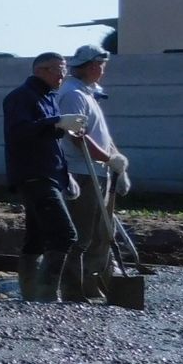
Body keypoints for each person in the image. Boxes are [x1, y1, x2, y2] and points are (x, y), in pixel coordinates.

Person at [3, 52, 87, 302]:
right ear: (41, 70)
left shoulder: (49, 98)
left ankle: (30, 292)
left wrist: (65, 173)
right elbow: (19, 132)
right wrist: (57, 121)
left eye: (64, 70)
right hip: (33, 174)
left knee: (37, 236)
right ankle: (46, 294)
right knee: (64, 234)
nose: (63, 75)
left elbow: (49, 140)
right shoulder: (20, 97)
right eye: (58, 70)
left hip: (49, 173)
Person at [56, 44, 131, 302]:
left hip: (99, 172)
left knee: (101, 234)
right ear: (91, 66)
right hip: (82, 172)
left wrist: (116, 162)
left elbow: (102, 136)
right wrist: (108, 159)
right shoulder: (72, 94)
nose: (103, 71)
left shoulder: (89, 94)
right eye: (101, 65)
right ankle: (73, 290)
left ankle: (94, 286)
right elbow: (79, 138)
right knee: (82, 235)